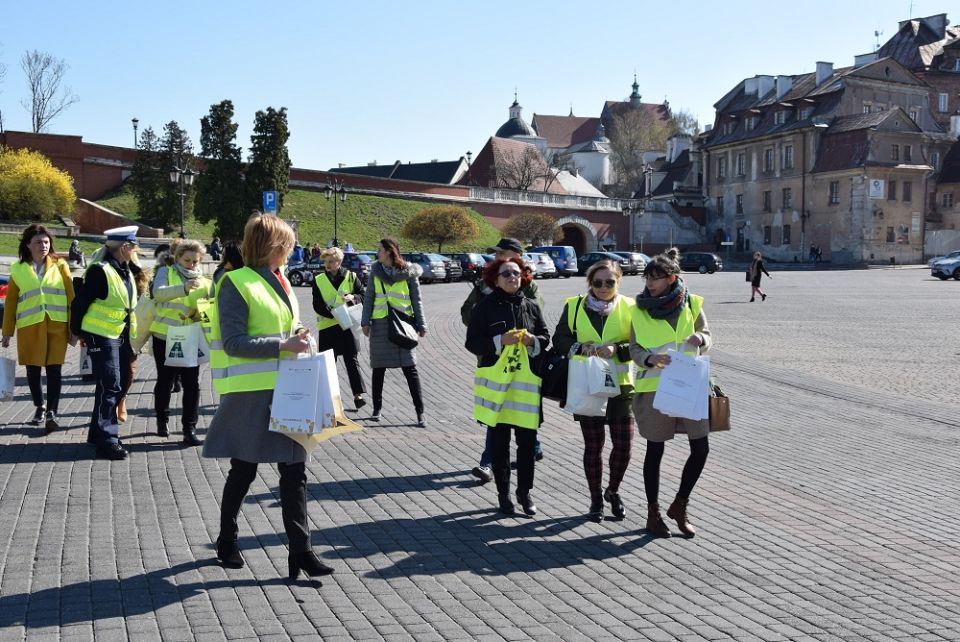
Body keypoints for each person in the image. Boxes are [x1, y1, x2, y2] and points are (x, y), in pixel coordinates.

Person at [202, 213, 333, 580]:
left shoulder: (283, 280)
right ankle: (227, 539)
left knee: (295, 471)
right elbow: (233, 342)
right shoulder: (235, 282)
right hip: (252, 393)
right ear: (274, 245)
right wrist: (283, 344)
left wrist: (298, 334)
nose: (292, 249)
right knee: (244, 470)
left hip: (289, 386)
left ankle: (301, 550)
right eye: (288, 243)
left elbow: (285, 327)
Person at [629, 248, 712, 538]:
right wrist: (649, 359)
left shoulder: (691, 303)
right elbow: (634, 348)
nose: (650, 284)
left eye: (656, 278)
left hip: (690, 383)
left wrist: (700, 337)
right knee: (655, 450)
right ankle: (653, 512)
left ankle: (680, 503)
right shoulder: (638, 309)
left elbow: (708, 335)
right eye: (647, 278)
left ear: (671, 277)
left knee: (701, 448)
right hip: (654, 387)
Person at [551, 260, 636, 522]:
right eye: (597, 282)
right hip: (586, 384)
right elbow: (560, 339)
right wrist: (579, 347)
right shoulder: (574, 306)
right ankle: (596, 499)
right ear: (590, 283)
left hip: (620, 386)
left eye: (609, 282)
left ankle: (613, 491)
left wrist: (618, 349)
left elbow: (641, 342)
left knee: (623, 447)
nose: (603, 287)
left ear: (618, 282)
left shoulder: (632, 307)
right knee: (594, 446)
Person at [466, 257, 550, 516]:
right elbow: (472, 343)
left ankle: (524, 493)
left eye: (516, 273)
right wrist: (499, 340)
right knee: (500, 446)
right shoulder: (484, 307)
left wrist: (533, 341)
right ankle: (504, 495)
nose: (513, 277)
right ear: (495, 279)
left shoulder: (532, 306)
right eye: (506, 274)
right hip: (499, 388)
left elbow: (545, 337)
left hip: (525, 389)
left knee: (527, 446)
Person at [71, 226, 143, 460]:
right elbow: (80, 302)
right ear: (124, 247)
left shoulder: (124, 269)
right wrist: (75, 330)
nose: (135, 249)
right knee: (111, 383)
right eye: (133, 246)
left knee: (116, 383)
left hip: (119, 333)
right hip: (100, 334)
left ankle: (97, 433)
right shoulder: (100, 271)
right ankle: (107, 440)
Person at [1, 225, 76, 431]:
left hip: (56, 325)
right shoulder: (17, 269)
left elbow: (72, 299)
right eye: (38, 242)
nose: (43, 245)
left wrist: (74, 329)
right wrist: (7, 332)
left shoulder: (61, 266)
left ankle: (52, 411)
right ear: (28, 245)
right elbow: (11, 304)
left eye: (46, 242)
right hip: (29, 326)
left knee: (54, 370)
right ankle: (39, 407)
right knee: (33, 371)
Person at [149, 239, 210, 446]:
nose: (191, 264)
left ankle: (189, 428)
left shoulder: (204, 280)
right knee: (165, 381)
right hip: (164, 336)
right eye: (187, 260)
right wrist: (183, 288)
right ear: (177, 258)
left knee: (192, 384)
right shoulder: (166, 272)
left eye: (195, 261)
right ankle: (162, 420)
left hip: (190, 338)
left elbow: (210, 306)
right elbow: (158, 293)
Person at [360, 238, 427, 426]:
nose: (377, 253)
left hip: (403, 326)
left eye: (379, 249)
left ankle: (420, 412)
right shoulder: (375, 271)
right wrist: (365, 322)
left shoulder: (409, 272)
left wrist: (422, 325)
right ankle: (377, 410)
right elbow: (369, 297)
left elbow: (417, 300)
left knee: (410, 369)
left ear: (389, 252)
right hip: (380, 325)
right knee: (378, 369)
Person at [312, 246, 367, 409]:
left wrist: (354, 297)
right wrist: (333, 313)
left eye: (331, 261)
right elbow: (317, 304)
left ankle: (358, 395)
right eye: (326, 262)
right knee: (328, 363)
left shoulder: (351, 277)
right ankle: (328, 397)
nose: (327, 265)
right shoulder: (318, 279)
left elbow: (364, 295)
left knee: (352, 359)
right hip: (328, 326)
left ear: (339, 262)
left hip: (347, 326)